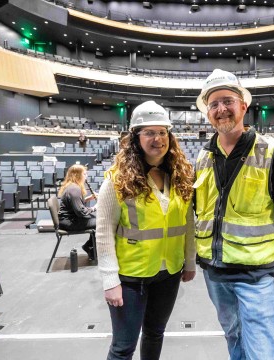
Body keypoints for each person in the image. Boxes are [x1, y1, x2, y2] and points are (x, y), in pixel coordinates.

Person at [194, 69, 274, 360]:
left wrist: (261, 249)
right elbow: (200, 209)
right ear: (208, 113)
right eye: (214, 104)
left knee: (261, 348)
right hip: (215, 272)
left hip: (254, 275)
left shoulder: (270, 151)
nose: (221, 109)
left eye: (227, 101)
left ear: (243, 105)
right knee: (234, 336)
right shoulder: (203, 157)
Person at [96, 101, 196, 360]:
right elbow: (104, 230)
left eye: (163, 132)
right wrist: (110, 280)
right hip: (131, 277)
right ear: (135, 137)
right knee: (123, 347)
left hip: (169, 272)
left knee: (155, 334)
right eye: (149, 132)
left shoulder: (181, 175)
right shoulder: (117, 178)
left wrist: (190, 262)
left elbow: (187, 222)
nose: (158, 139)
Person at [58, 164, 97, 260]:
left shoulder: (72, 187)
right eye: (84, 174)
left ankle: (91, 247)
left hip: (68, 219)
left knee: (97, 219)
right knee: (102, 223)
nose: (86, 176)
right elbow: (81, 212)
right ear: (77, 175)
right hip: (70, 222)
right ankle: (90, 247)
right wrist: (95, 207)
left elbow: (75, 205)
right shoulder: (74, 189)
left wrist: (88, 199)